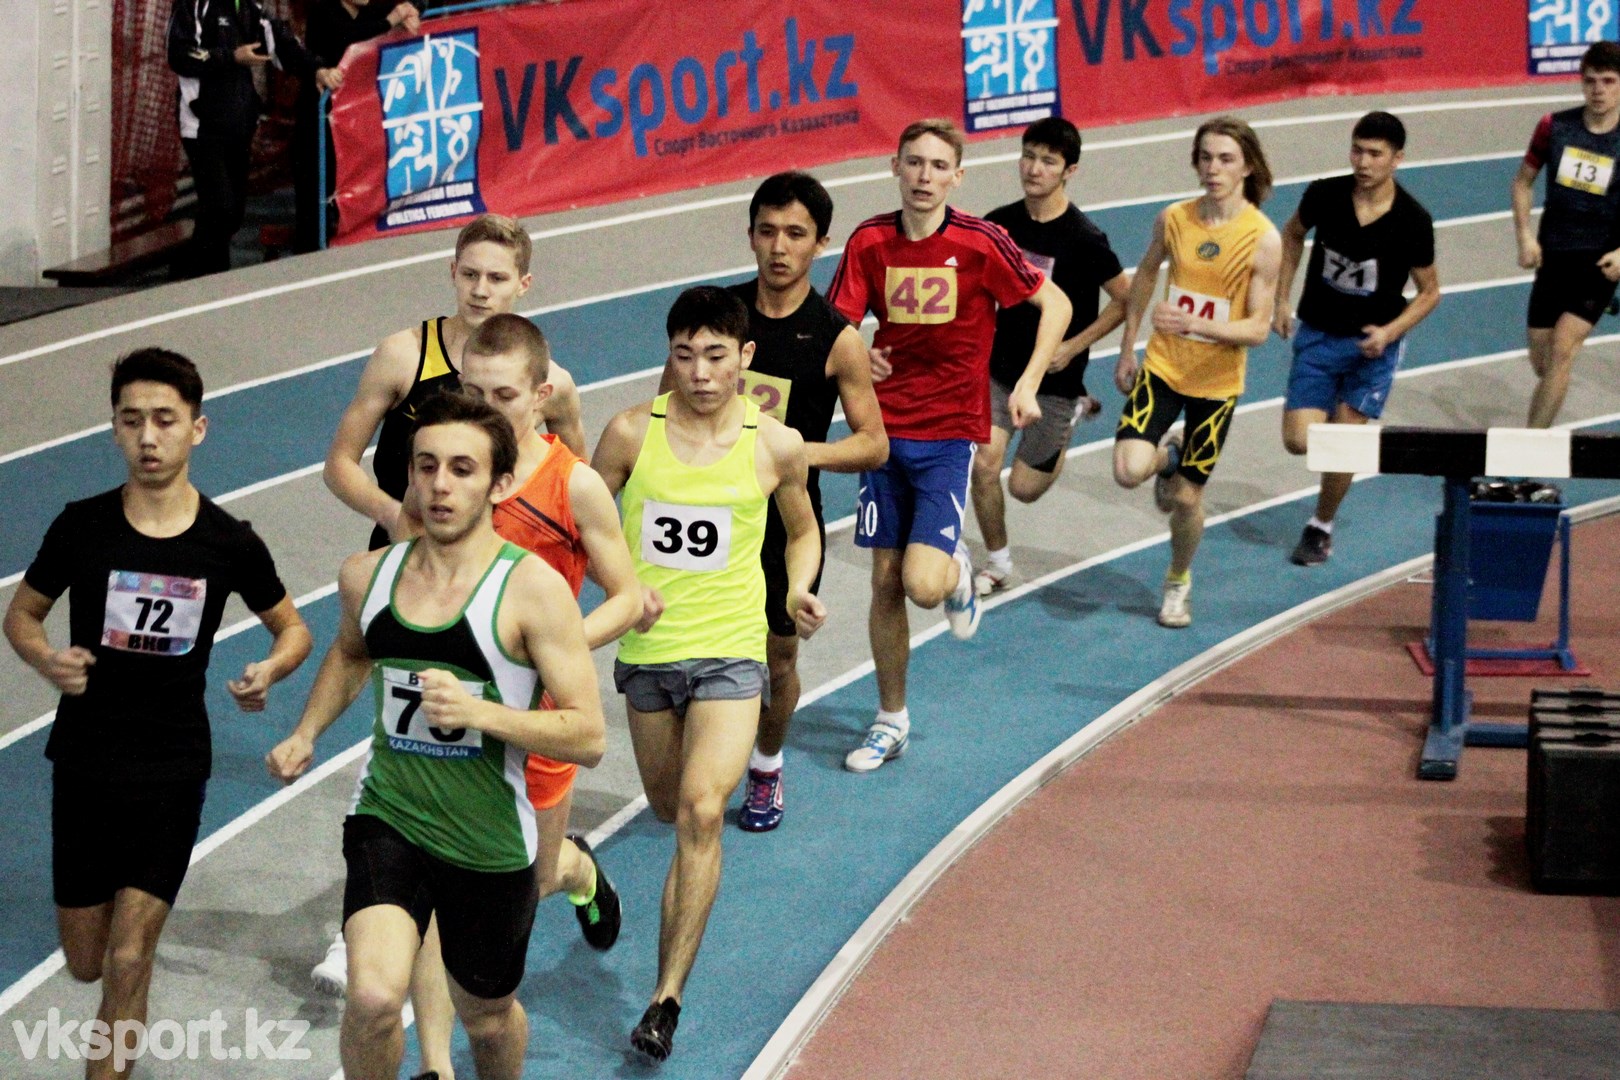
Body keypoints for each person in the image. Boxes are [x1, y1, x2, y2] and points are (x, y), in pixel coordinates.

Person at [268, 392, 606, 1080]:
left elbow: (588, 734)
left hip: (488, 840)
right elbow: (352, 652)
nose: (441, 485)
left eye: (462, 469)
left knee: (486, 1018)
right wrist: (307, 730)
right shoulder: (368, 576)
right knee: (372, 998)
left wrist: (482, 715)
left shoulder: (533, 591)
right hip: (390, 815)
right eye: (427, 467)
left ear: (500, 484)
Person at [4, 348, 312, 1080]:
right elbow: (21, 614)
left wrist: (269, 669)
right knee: (86, 961)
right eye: (132, 420)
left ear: (197, 429)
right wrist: (46, 658)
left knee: (128, 956)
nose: (148, 436)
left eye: (165, 420)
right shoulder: (81, 527)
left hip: (172, 766)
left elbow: (294, 628)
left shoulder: (228, 542)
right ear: (114, 428)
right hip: (84, 760)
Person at [386, 314, 643, 1080]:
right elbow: (403, 570)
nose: (483, 408)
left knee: (526, 886)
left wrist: (551, 650)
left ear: (540, 395)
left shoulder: (573, 484)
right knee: (439, 892)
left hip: (536, 725)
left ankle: (577, 871)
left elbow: (629, 597)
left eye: (502, 395)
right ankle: (436, 1064)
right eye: (471, 390)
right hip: (446, 720)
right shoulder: (439, 474)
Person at [592, 286, 825, 1063]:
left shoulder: (775, 445)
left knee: (699, 812)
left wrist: (796, 588)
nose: (699, 372)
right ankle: (589, 876)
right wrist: (621, 590)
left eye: (716, 356)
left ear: (745, 357)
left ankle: (665, 1000)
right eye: (684, 355)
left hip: (732, 650)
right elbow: (583, 526)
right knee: (666, 806)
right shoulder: (630, 433)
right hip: (649, 654)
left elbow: (802, 531)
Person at [826, 117, 1071, 773]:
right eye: (914, 162)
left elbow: (1057, 306)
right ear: (895, 167)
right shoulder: (869, 241)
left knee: (922, 587)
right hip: (882, 432)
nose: (925, 176)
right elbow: (834, 328)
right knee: (884, 580)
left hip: (948, 435)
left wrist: (1027, 382)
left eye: (939, 166)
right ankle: (891, 719)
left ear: (957, 177)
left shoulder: (981, 241)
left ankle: (958, 569)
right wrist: (859, 355)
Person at [658, 172, 887, 831]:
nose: (779, 247)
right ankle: (698, 760)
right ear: (750, 236)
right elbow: (664, 407)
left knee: (777, 657)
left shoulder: (837, 337)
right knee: (684, 645)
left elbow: (873, 444)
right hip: (702, 516)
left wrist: (789, 453)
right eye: (767, 232)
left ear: (821, 243)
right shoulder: (717, 319)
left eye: (795, 234)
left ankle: (766, 764)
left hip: (783, 522)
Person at [324, 213, 585, 551]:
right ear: (453, 272)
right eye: (470, 274)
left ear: (523, 284)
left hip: (495, 563)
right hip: (402, 553)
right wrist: (394, 516)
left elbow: (577, 487)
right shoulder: (404, 356)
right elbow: (339, 464)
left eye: (497, 278)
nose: (480, 291)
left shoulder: (550, 383)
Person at [1113, 116, 1282, 628]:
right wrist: (1128, 345)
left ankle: (1177, 581)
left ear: (1247, 167)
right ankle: (1170, 456)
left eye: (1226, 159)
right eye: (1206, 158)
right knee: (1127, 471)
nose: (1213, 168)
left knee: (1185, 498)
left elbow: (1258, 328)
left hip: (1216, 385)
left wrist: (1196, 323)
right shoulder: (1174, 218)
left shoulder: (1262, 239)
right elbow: (1146, 273)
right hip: (1164, 367)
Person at [971, 117, 1130, 596]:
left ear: (1069, 171)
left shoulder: (1085, 238)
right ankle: (998, 562)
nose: (1034, 169)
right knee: (983, 466)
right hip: (1001, 371)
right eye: (1028, 156)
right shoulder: (999, 224)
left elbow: (1125, 299)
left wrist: (1072, 347)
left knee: (1024, 489)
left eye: (1048, 161)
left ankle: (1076, 411)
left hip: (1055, 381)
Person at [1275, 111, 1440, 565]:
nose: (1363, 162)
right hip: (1319, 335)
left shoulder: (1412, 220)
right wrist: (1281, 299)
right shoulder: (1325, 194)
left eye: (1375, 154)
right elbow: (1291, 235)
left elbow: (1430, 293)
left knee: (1344, 444)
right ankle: (1337, 430)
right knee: (1299, 441)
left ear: (1397, 158)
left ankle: (1321, 526)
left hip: (1372, 349)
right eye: (1357, 151)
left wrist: (1389, 332)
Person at [167, 0, 342, 277]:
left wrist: (316, 69)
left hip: (239, 123)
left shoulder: (250, 8)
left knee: (232, 213)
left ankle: (195, 272)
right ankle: (202, 277)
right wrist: (231, 57)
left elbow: (283, 44)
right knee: (220, 207)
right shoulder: (195, 5)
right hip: (202, 126)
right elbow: (179, 54)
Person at [1513, 40, 1620, 428]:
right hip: (1554, 253)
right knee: (1543, 362)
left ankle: (1530, 447)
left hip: (1600, 260)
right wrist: (1525, 237)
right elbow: (1523, 182)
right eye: (1590, 81)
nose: (1598, 90)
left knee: (1562, 351)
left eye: (1608, 81)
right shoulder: (1554, 127)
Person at [294, 0, 421, 253]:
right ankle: (309, 254)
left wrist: (410, 12)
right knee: (316, 191)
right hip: (318, 120)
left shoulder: (372, 10)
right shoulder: (323, 12)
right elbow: (348, 38)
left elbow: (407, 9)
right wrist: (392, 20)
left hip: (356, 122)